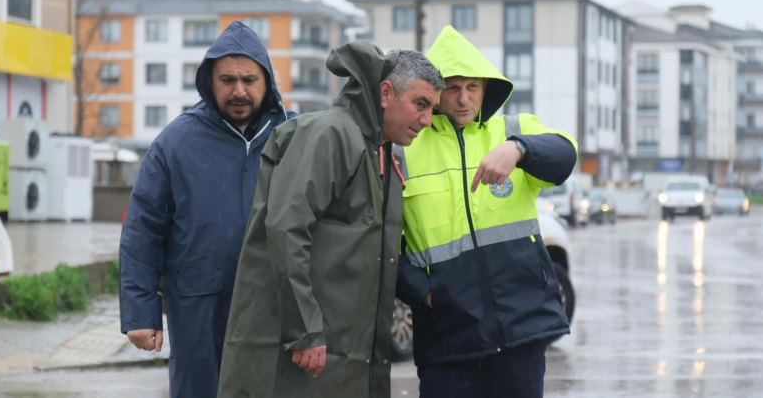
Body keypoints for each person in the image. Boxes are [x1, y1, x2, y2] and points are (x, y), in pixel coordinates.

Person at [217, 41, 444, 398]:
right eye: (420, 104)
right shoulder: (331, 133)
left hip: (345, 356)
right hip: (307, 352)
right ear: (386, 93)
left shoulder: (384, 153)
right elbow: (287, 229)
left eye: (431, 109)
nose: (427, 120)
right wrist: (305, 330)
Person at [396, 26, 578, 398]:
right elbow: (383, 243)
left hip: (521, 331)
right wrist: (424, 294)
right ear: (435, 91)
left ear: (486, 88)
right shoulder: (405, 148)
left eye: (473, 87)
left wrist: (519, 149)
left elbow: (565, 153)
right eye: (452, 87)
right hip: (448, 338)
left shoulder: (515, 129)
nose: (463, 99)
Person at [119, 21, 296, 398]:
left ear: (267, 81)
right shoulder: (176, 143)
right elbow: (142, 230)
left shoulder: (294, 137)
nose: (238, 90)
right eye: (227, 79)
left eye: (249, 79)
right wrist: (140, 313)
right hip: (198, 311)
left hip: (276, 308)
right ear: (208, 82)